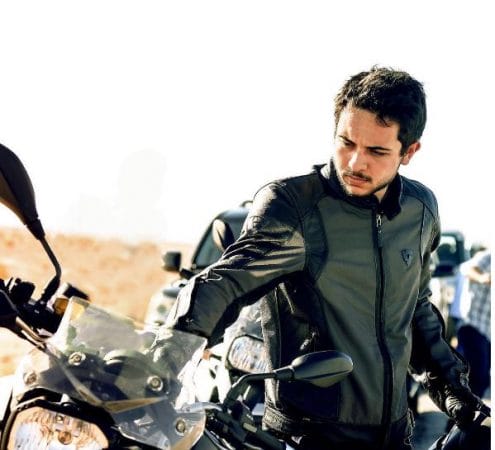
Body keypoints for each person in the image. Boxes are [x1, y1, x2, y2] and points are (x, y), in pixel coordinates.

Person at [166, 66, 481, 450]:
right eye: (346, 142)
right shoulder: (294, 206)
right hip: (306, 438)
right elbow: (226, 283)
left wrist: (457, 394)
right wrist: (167, 357)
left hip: (394, 435)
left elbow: (415, 311)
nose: (355, 163)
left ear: (409, 151)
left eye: (377, 151)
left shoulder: (421, 210)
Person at [456, 248, 491, 398]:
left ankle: (468, 411)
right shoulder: (490, 256)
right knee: (475, 379)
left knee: (482, 381)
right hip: (472, 324)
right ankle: (463, 412)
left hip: (487, 332)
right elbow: (465, 268)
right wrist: (483, 278)